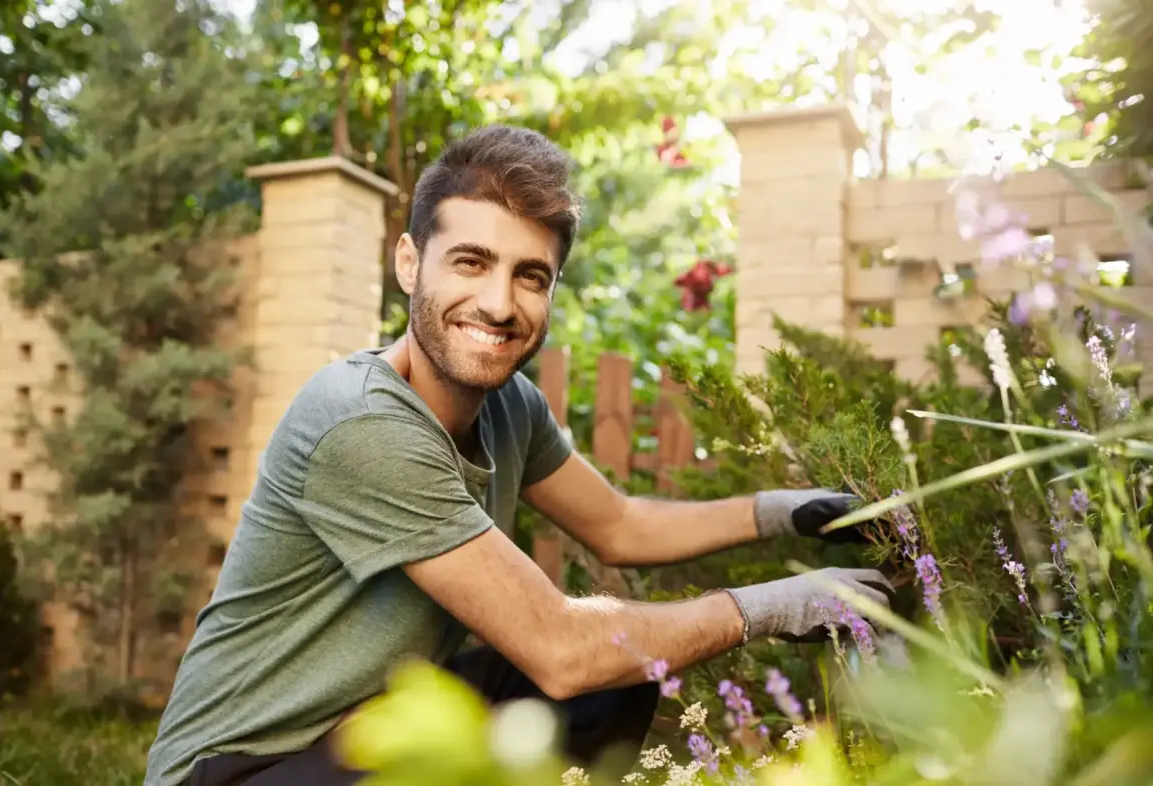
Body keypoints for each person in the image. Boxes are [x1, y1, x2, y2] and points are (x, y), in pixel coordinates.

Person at [143, 124, 889, 786]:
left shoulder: (508, 407)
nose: (500, 304)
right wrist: (781, 604)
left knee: (615, 678)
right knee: (582, 664)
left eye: (530, 276)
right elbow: (560, 649)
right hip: (242, 769)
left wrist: (788, 512)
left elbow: (622, 525)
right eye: (470, 262)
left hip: (363, 739)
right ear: (410, 263)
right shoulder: (361, 422)